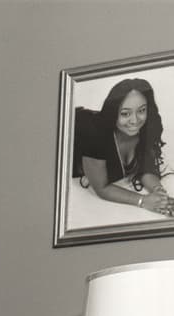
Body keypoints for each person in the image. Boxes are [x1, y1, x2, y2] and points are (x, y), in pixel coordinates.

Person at [72, 77, 173, 215]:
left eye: (141, 110)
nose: (135, 120)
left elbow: (145, 167)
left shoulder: (146, 129)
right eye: (125, 113)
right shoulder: (95, 135)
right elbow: (101, 188)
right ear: (113, 112)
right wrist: (143, 201)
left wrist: (159, 193)